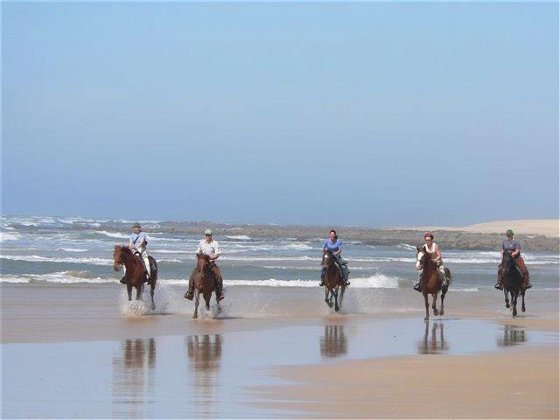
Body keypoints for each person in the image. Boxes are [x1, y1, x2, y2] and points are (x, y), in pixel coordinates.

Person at [185, 229, 225, 301]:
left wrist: (213, 257)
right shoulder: (201, 243)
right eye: (206, 235)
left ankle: (219, 293)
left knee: (218, 276)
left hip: (211, 263)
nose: (208, 236)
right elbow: (198, 252)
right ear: (205, 235)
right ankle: (190, 292)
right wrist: (199, 260)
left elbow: (217, 254)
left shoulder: (215, 243)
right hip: (202, 263)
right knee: (193, 274)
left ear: (211, 235)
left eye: (209, 235)